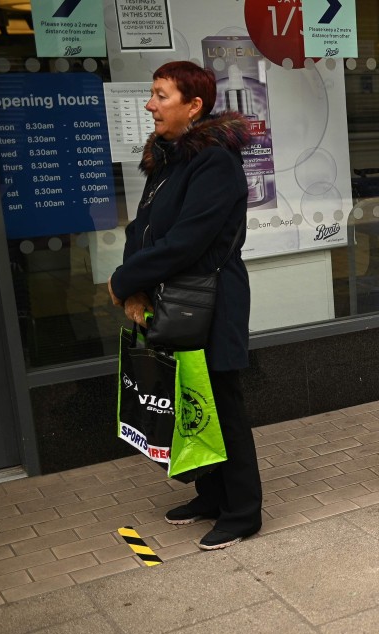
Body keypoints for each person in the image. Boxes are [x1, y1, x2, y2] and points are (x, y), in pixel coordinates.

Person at [108, 61, 262, 550]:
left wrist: (123, 279)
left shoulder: (214, 162)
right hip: (172, 299)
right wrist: (133, 288)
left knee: (220, 404)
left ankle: (243, 511)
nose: (150, 105)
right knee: (189, 402)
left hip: (210, 302)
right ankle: (210, 495)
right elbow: (142, 231)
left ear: (193, 106)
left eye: (160, 95)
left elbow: (187, 241)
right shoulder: (166, 160)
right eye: (152, 95)